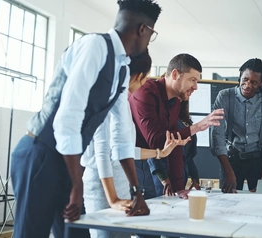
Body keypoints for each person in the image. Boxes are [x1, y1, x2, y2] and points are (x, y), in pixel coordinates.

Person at [10, 1, 162, 237]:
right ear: (143, 29)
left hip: (67, 160)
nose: (149, 40)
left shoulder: (122, 69)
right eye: (152, 33)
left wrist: (136, 192)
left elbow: (121, 136)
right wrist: (77, 183)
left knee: (73, 234)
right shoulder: (95, 46)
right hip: (40, 153)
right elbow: (67, 119)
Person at [80, 51, 190, 238]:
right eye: (146, 77)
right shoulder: (105, 101)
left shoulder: (122, 101)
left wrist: (159, 153)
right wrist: (112, 198)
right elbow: (103, 153)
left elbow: (123, 150)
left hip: (121, 183)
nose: (146, 83)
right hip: (102, 187)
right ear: (137, 76)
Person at [129, 53, 224, 199]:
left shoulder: (175, 103)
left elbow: (175, 148)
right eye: (192, 80)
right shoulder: (145, 93)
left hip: (144, 165)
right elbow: (156, 141)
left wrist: (179, 188)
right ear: (175, 74)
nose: (196, 87)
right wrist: (196, 127)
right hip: (129, 164)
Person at [210, 58, 262, 193]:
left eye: (254, 82)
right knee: (227, 202)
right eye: (245, 79)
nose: (247, 85)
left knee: (260, 203)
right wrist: (229, 174)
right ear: (240, 76)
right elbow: (217, 136)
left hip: (258, 160)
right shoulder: (224, 97)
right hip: (231, 159)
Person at [178, 100, 200, 190]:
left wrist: (195, 178)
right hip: (167, 177)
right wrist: (164, 180)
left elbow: (188, 158)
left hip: (182, 177)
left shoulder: (186, 122)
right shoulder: (166, 121)